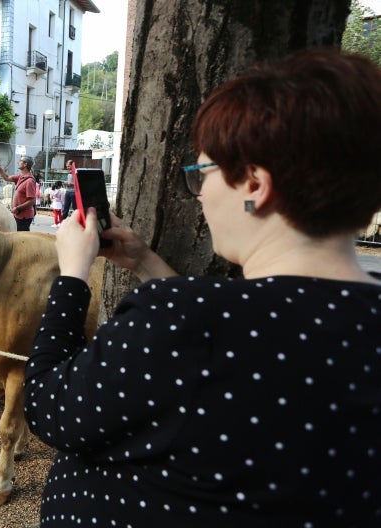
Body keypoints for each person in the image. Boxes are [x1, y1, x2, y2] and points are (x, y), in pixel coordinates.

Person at [23, 49, 381, 527]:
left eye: (201, 174)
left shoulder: (182, 318)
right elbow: (237, 350)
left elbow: (50, 408)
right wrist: (146, 262)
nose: (201, 196)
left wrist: (71, 275)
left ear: (254, 185)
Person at [0, 156, 37, 231]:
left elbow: (32, 201)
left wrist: (18, 208)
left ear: (25, 164)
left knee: (21, 239)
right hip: (18, 214)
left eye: (20, 161)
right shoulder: (21, 177)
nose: (18, 162)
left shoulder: (29, 181)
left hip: (24, 216)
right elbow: (6, 177)